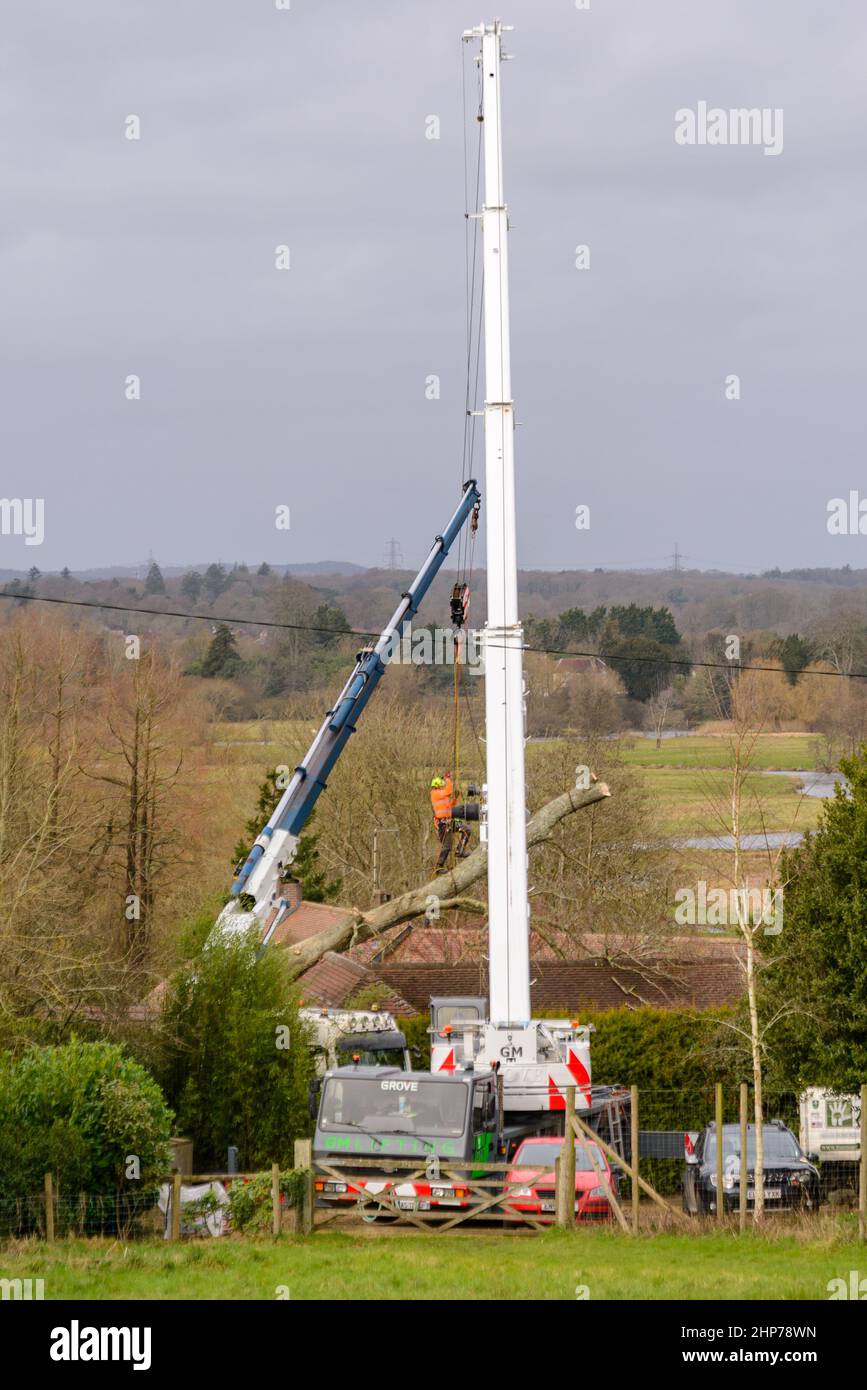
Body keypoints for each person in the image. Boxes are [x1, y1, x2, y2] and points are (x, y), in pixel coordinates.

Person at [430, 773, 471, 870]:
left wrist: (455, 799)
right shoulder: (435, 793)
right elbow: (448, 790)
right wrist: (448, 779)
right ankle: (438, 867)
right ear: (437, 786)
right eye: (441, 786)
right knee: (447, 846)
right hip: (443, 824)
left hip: (448, 822)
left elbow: (450, 807)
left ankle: (459, 851)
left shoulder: (442, 797)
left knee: (466, 830)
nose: (442, 787)